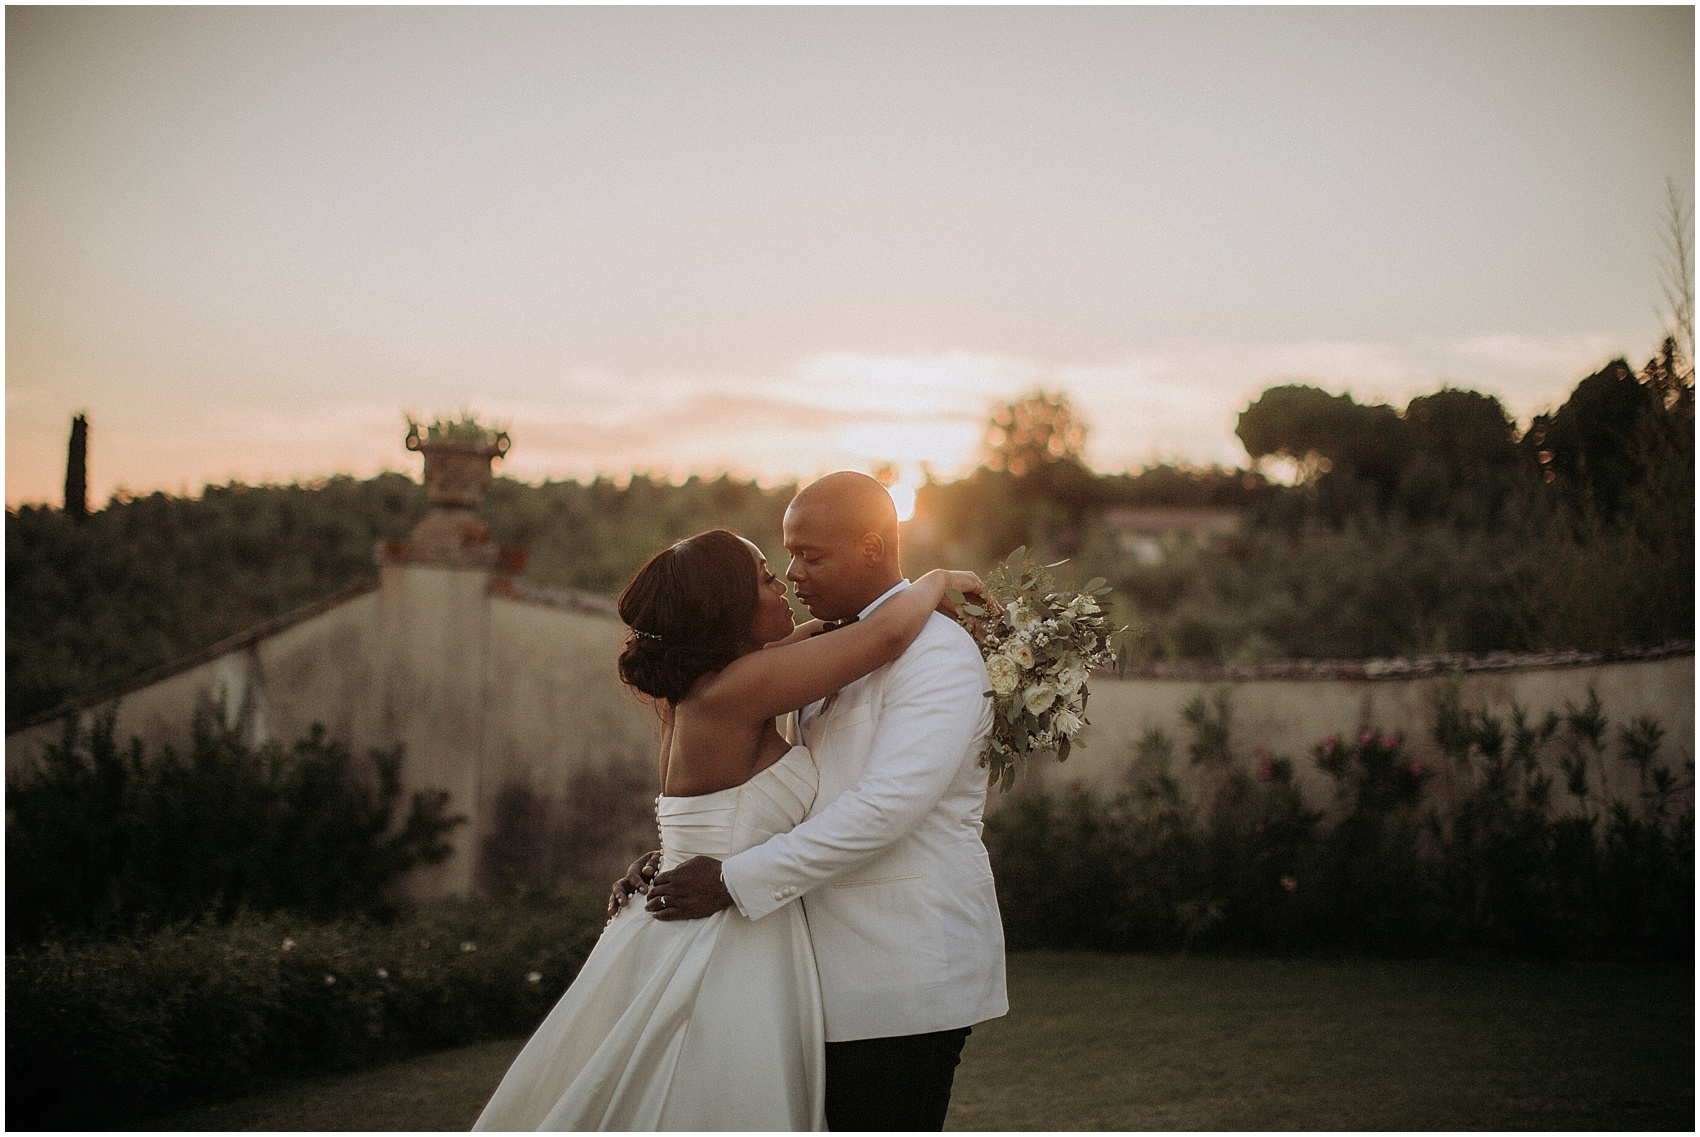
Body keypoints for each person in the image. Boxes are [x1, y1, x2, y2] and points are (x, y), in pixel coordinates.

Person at [472, 524, 984, 1131]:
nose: (783, 584)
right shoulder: (740, 689)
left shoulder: (704, 688)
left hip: (698, 911)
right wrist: (936, 580)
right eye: (766, 577)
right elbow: (888, 633)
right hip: (723, 937)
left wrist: (663, 853)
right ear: (728, 609)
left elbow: (711, 806)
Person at [636, 471, 1008, 1131]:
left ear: (871, 546)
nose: (792, 572)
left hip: (903, 970)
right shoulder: (815, 653)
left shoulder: (938, 652)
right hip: (810, 975)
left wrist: (729, 875)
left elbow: (885, 809)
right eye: (785, 555)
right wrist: (681, 854)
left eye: (811, 555)